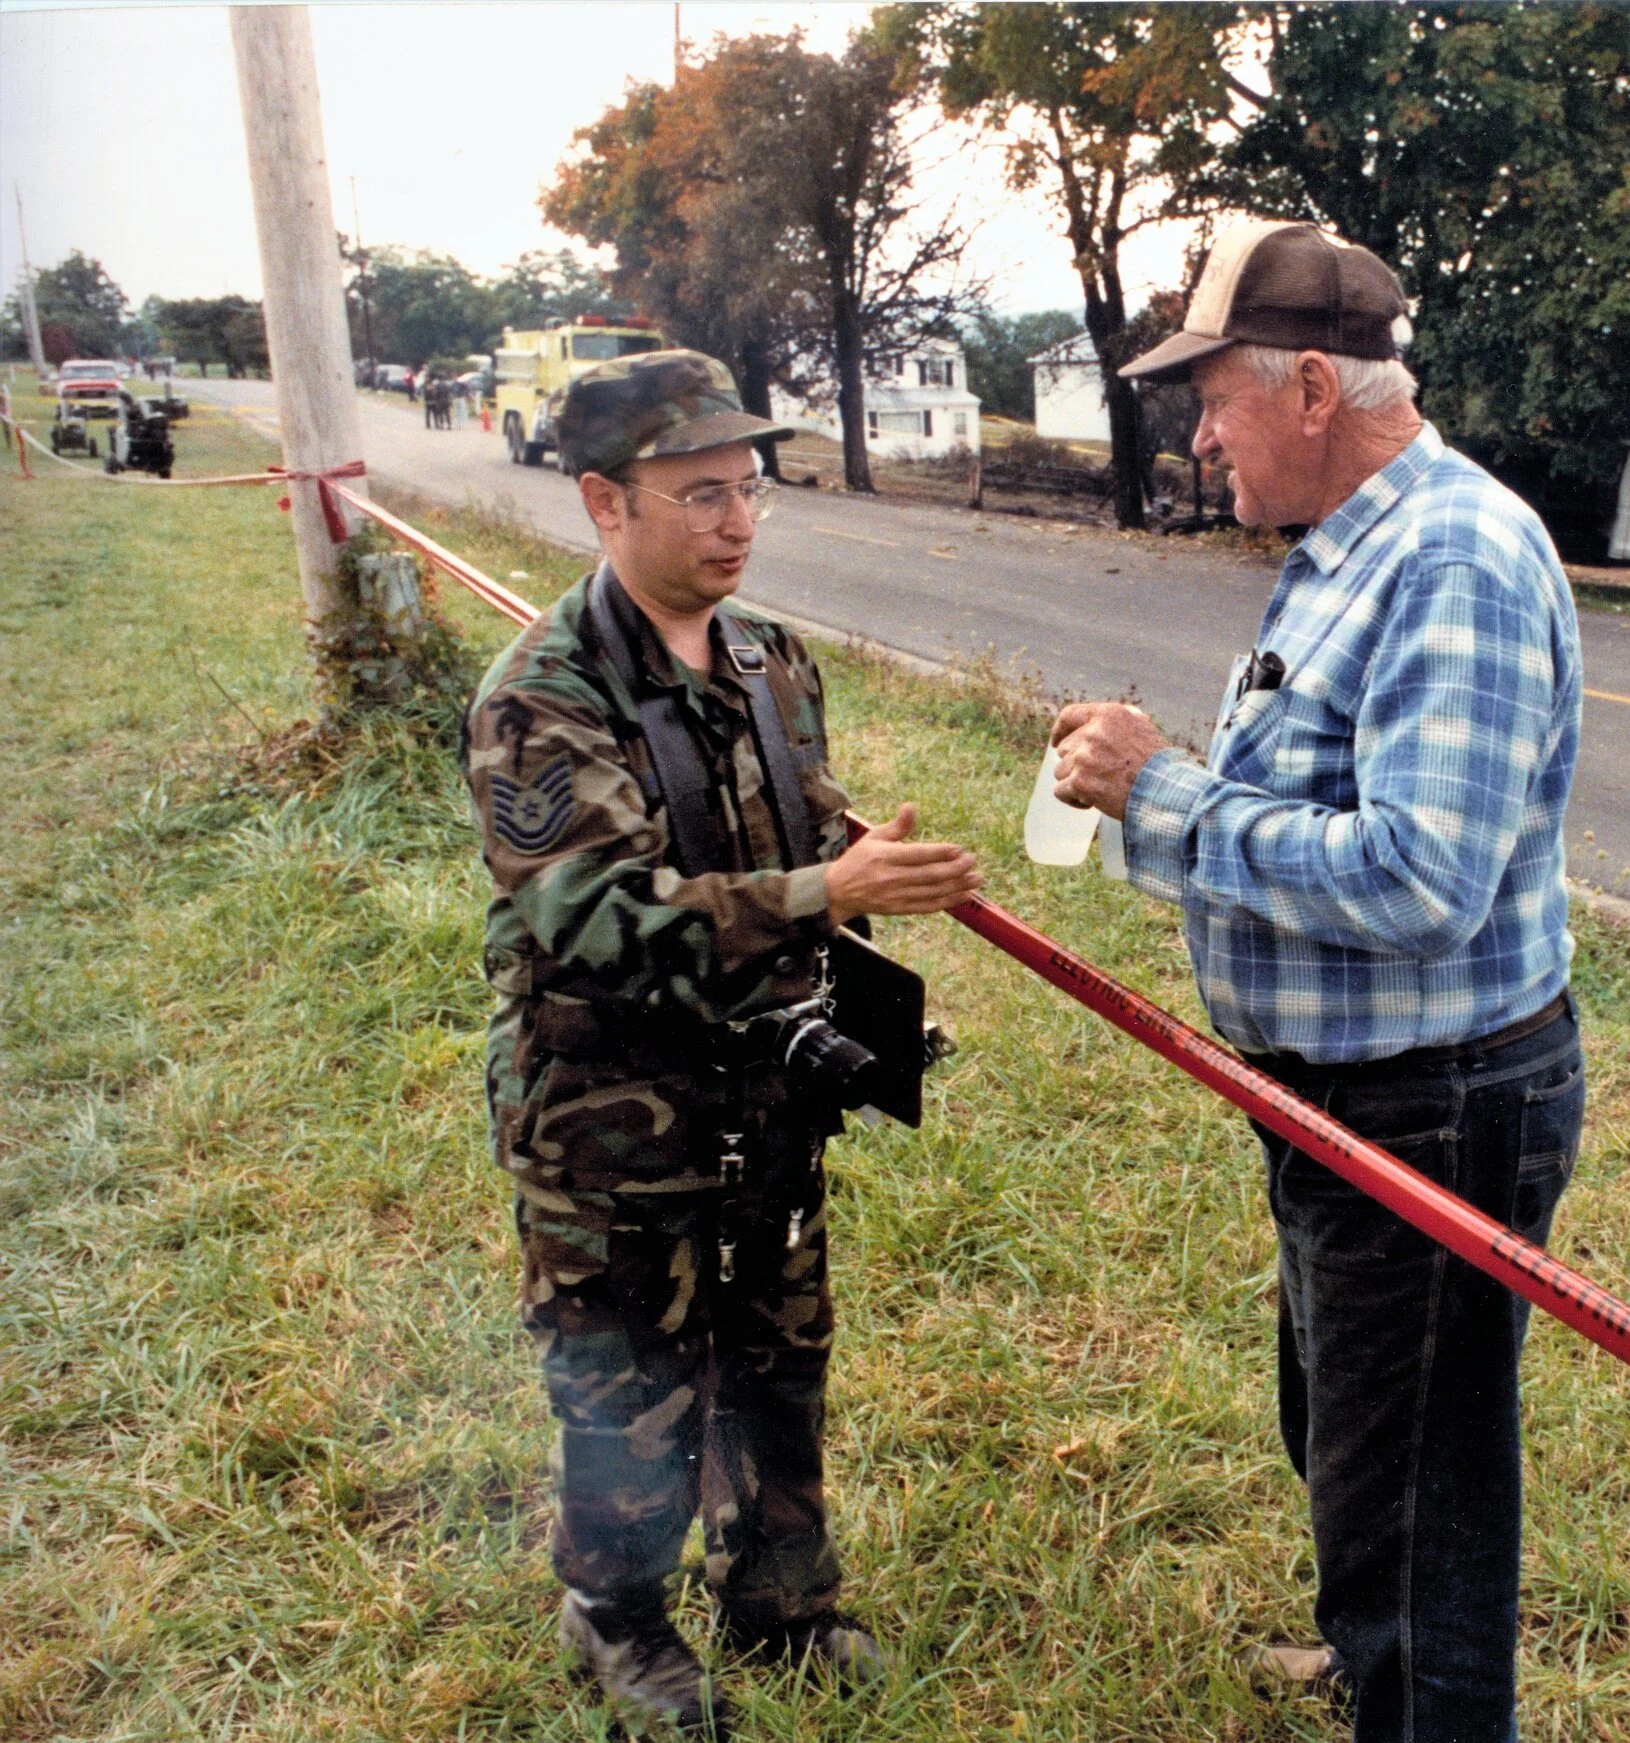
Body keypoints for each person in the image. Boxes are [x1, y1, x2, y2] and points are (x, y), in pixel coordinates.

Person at [1050, 222, 1585, 1740]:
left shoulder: (1455, 561)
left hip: (1435, 1102)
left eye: (1212, 399)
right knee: (1350, 1431)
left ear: (1304, 386)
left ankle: (1416, 1687)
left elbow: (1422, 879)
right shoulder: (1354, 548)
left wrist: (1167, 796)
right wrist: (1193, 784)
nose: (1200, 435)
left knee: (1420, 1497)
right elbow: (1335, 793)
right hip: (1352, 1095)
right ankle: (1372, 1645)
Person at [463, 349, 982, 1733]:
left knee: (776, 1350)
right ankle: (619, 1618)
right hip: (610, 1119)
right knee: (627, 1384)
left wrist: (856, 844)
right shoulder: (541, 696)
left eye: (748, 489)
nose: (735, 521)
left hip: (762, 1097)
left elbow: (792, 808)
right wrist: (826, 893)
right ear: (601, 502)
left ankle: (781, 1597)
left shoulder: (769, 657)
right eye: (698, 493)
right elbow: (596, 919)